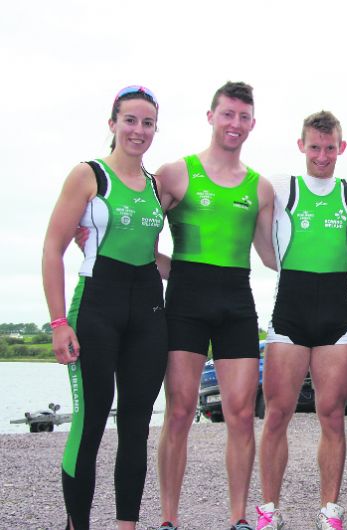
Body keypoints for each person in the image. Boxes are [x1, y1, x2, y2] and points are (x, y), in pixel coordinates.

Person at [42, 85, 168, 530]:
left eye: (147, 122)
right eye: (130, 120)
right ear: (112, 123)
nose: (138, 130)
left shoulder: (155, 186)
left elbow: (152, 256)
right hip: (97, 306)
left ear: (155, 129)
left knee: (136, 426)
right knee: (91, 420)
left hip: (149, 310)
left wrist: (205, 273)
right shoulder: (89, 175)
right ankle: (78, 524)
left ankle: (127, 525)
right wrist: (59, 323)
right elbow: (53, 248)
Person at [154, 81, 275, 530]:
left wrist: (343, 259)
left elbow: (269, 255)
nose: (235, 124)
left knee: (241, 413)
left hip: (236, 303)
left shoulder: (259, 187)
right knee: (181, 410)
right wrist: (174, 271)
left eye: (243, 117)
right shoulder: (176, 173)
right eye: (228, 114)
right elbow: (141, 237)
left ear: (252, 124)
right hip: (185, 301)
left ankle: (239, 517)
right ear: (211, 116)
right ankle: (169, 518)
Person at [255, 111, 347, 530]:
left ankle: (329, 509)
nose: (321, 155)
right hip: (290, 313)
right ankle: (268, 509)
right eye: (314, 147)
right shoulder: (282, 188)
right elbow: (237, 191)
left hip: (337, 314)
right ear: (301, 145)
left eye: (329, 147)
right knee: (277, 413)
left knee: (331, 415)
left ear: (341, 148)